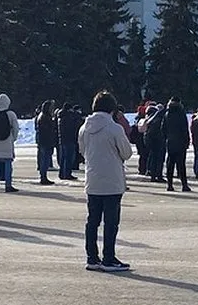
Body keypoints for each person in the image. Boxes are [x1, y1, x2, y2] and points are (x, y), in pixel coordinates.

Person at [79, 91, 134, 273]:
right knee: (111, 223)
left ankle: (92, 257)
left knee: (92, 221)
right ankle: (109, 258)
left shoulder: (84, 128)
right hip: (112, 181)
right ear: (112, 109)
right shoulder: (115, 129)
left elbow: (82, 151)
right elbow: (126, 153)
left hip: (92, 180)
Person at [0, 93, 20, 193]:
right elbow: (16, 128)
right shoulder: (11, 114)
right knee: (8, 164)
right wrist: (13, 139)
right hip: (7, 142)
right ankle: (8, 185)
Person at [161, 98, 191, 192]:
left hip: (170, 142)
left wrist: (167, 138)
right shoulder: (181, 114)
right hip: (180, 142)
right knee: (181, 165)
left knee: (170, 164)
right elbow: (184, 129)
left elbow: (163, 128)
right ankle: (184, 185)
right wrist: (187, 141)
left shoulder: (167, 114)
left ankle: (170, 185)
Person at [142, 101, 168, 182]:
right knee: (159, 158)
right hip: (159, 140)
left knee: (153, 158)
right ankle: (158, 175)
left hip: (151, 140)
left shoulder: (152, 117)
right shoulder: (161, 117)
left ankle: (153, 175)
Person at [35, 100, 58, 185]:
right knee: (45, 160)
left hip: (43, 141)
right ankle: (43, 177)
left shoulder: (42, 116)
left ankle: (43, 176)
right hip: (46, 141)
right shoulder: (45, 117)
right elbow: (48, 130)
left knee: (44, 160)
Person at [57, 104, 82, 181]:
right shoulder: (68, 117)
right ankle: (67, 174)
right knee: (69, 158)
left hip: (63, 139)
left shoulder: (61, 117)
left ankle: (62, 173)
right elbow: (73, 127)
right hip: (69, 139)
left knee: (63, 158)